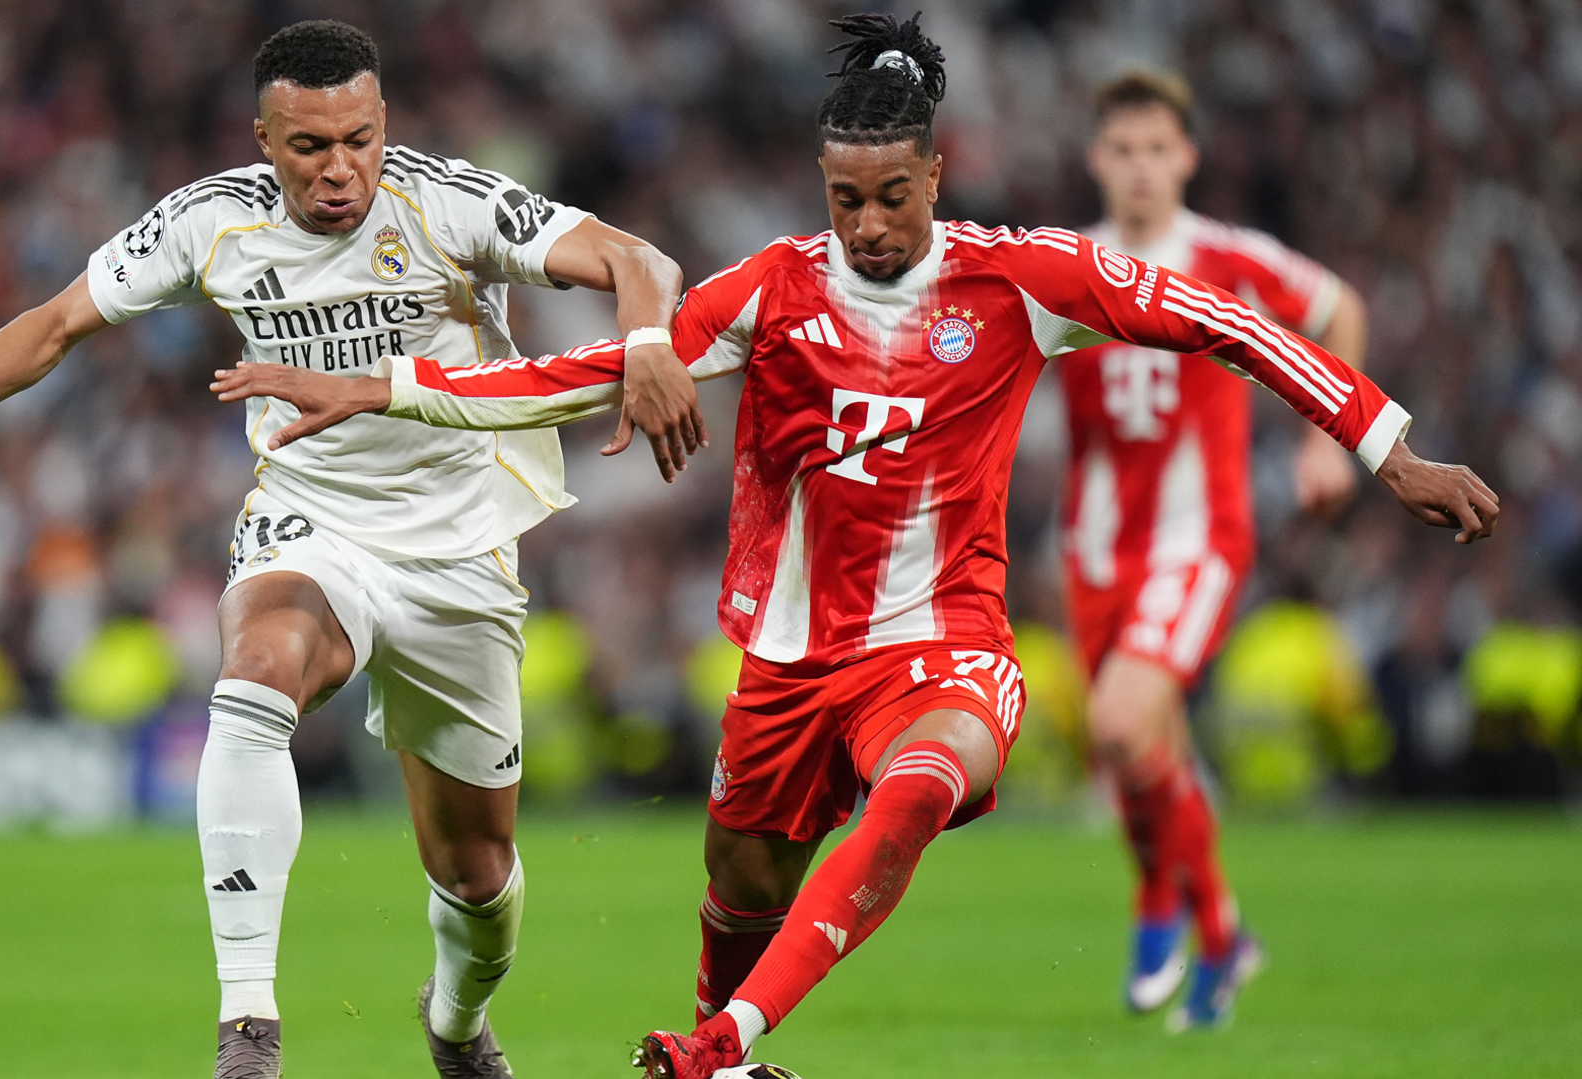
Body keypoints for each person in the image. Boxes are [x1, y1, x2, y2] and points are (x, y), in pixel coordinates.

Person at [214, 15, 1499, 1077]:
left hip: (944, 646)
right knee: (739, 879)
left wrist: (1391, 447)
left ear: (935, 177)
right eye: (845, 199)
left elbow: (1226, 321)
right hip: (785, 664)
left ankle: (724, 1041)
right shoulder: (772, 288)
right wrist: (381, 389)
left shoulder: (1024, 278)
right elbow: (570, 372)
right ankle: (726, 1050)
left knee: (921, 785)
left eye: (892, 197)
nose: (870, 224)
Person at [0, 20, 701, 1079]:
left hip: (459, 549)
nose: (341, 168)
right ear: (264, 139)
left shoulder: (450, 201)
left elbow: (635, 258)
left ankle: (457, 1017)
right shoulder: (210, 223)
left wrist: (650, 339)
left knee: (475, 873)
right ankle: (249, 1025)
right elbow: (60, 321)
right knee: (255, 670)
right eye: (309, 146)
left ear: (384, 126)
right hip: (313, 520)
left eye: (360, 139)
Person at [1057, 69, 1371, 1028]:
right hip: (1094, 546)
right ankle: (1226, 936)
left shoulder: (1227, 256)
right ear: (1096, 158)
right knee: (1148, 752)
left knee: (1121, 725)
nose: (1141, 168)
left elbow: (1338, 307)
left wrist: (1329, 439)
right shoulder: (1064, 261)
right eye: (1124, 150)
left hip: (1197, 538)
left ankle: (1163, 904)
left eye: (1159, 150)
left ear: (1187, 157)